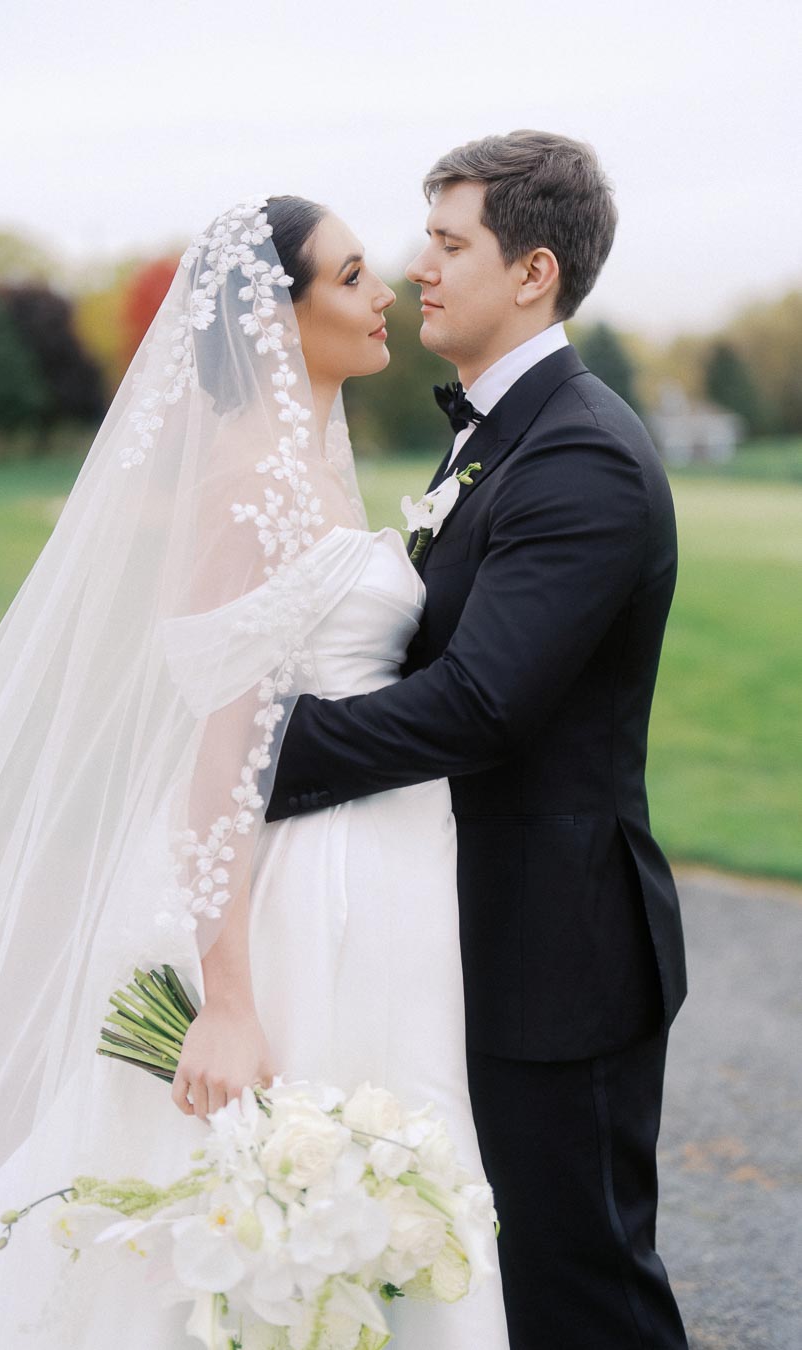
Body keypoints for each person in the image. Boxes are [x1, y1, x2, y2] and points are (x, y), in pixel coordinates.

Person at [0, 193, 508, 1345]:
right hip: (300, 891)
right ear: (276, 320)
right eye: (350, 276)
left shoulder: (315, 463)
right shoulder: (249, 486)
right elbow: (218, 755)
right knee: (259, 1183)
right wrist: (227, 999)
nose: (384, 293)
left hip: (385, 870)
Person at [263, 132, 691, 1350]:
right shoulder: (498, 432)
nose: (420, 269)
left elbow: (481, 704)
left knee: (582, 1288)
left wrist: (265, 759)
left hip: (563, 947)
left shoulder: (583, 455)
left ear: (534, 272)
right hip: (484, 927)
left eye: (450, 244)